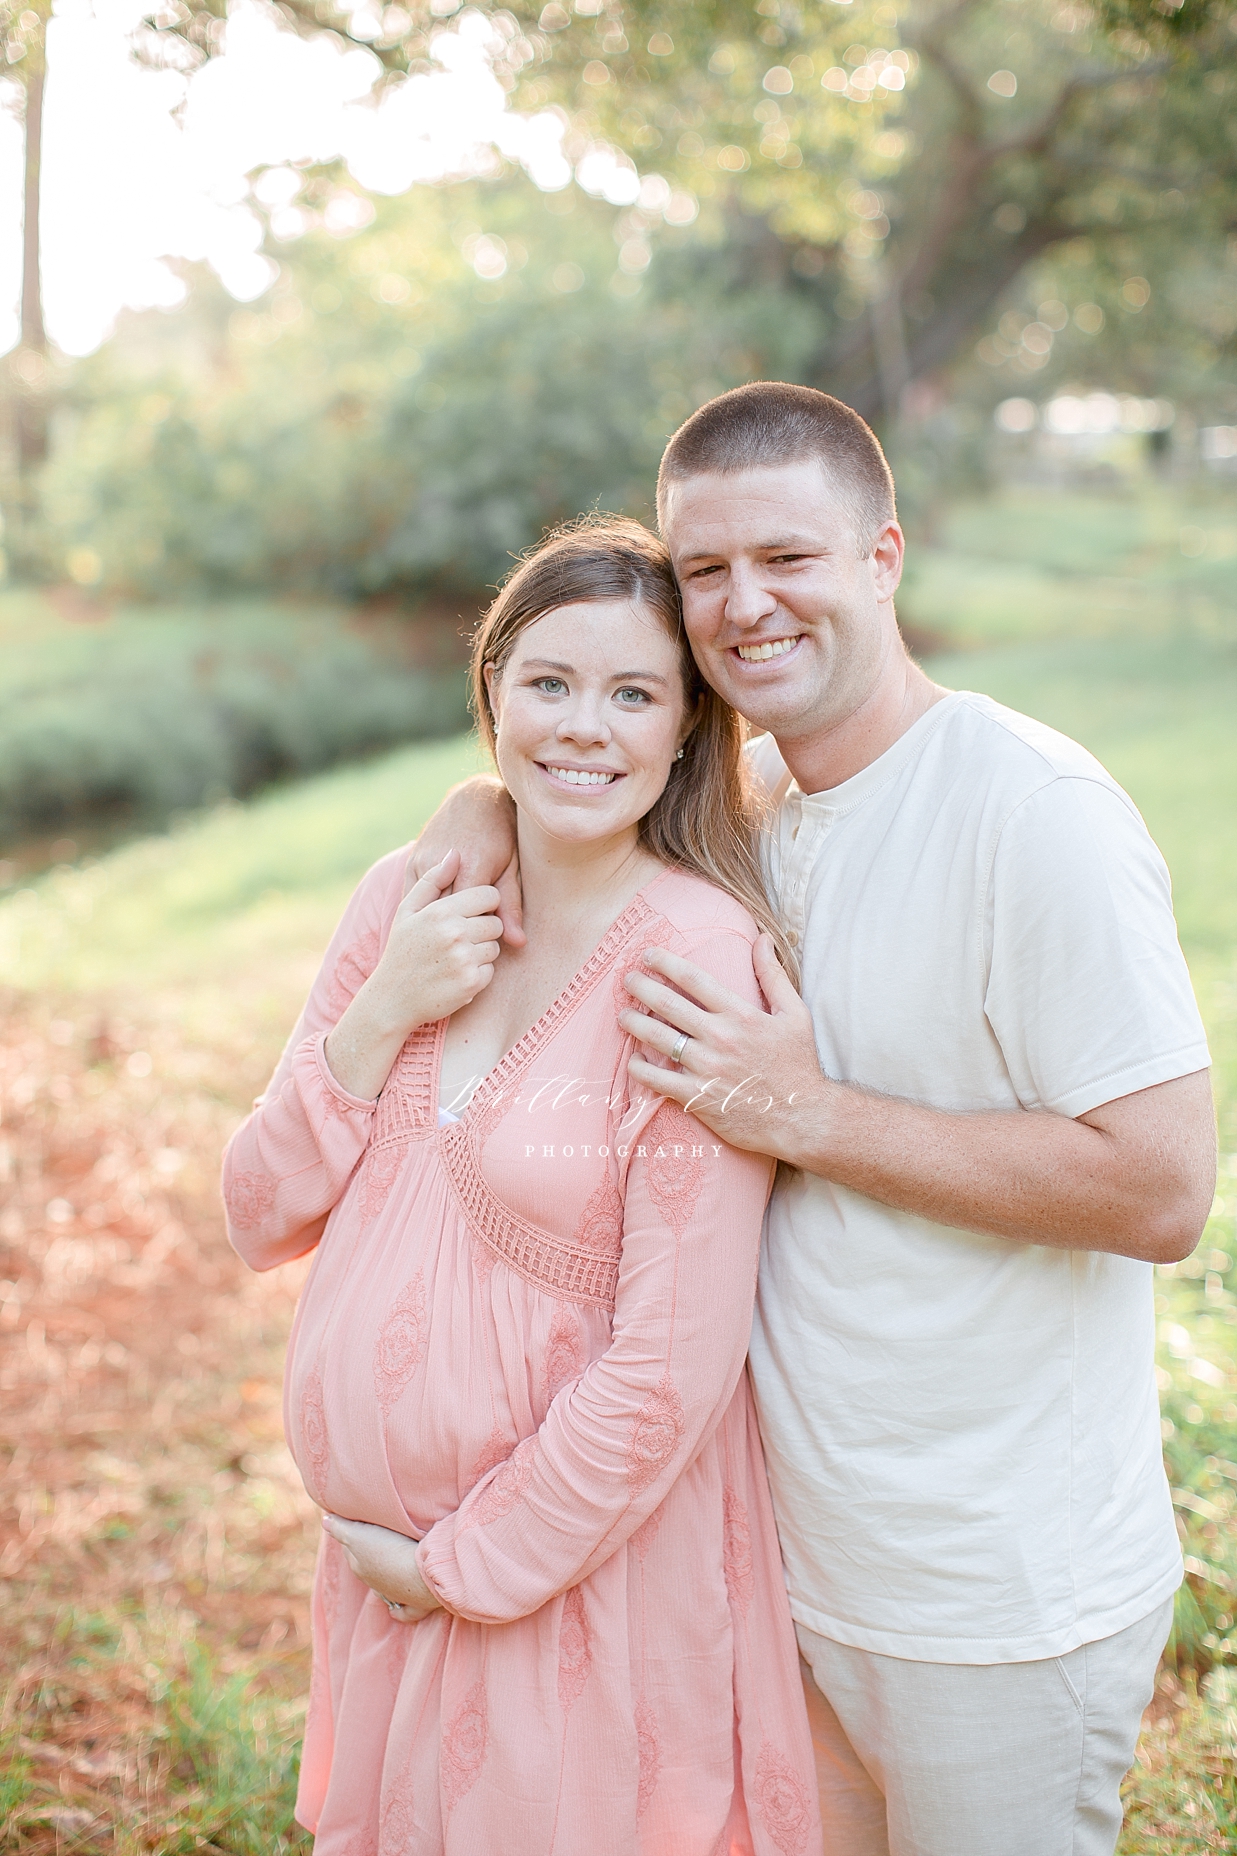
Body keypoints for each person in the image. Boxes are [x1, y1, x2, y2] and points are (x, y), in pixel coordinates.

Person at [413, 385, 1217, 1856]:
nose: (741, 606)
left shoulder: (1028, 809)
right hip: (777, 1568)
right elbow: (560, 794)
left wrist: (808, 1114)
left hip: (990, 1595)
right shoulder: (748, 809)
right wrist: (474, 816)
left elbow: (1162, 1190)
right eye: (702, 570)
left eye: (786, 558)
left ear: (883, 559)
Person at [222, 516, 820, 1856]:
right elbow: (260, 1214)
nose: (583, 729)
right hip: (386, 1594)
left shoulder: (691, 964)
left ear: (685, 731)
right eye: (547, 683)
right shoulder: (417, 894)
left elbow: (672, 1361)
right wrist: (380, 1012)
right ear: (489, 693)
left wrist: (461, 1570)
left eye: (633, 694)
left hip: (565, 1588)